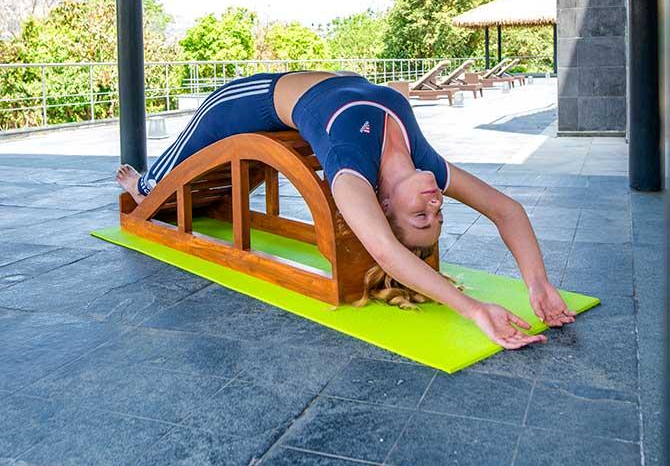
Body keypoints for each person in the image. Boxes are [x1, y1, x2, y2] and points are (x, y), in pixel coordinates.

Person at [117, 70, 575, 349]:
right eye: (438, 216)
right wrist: (538, 285)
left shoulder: (352, 173)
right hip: (305, 84)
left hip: (244, 105)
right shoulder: (428, 165)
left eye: (422, 218)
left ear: (384, 204)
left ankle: (142, 183)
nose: (435, 206)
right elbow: (507, 210)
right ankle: (149, 183)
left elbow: (384, 249)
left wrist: (472, 310)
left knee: (157, 184)